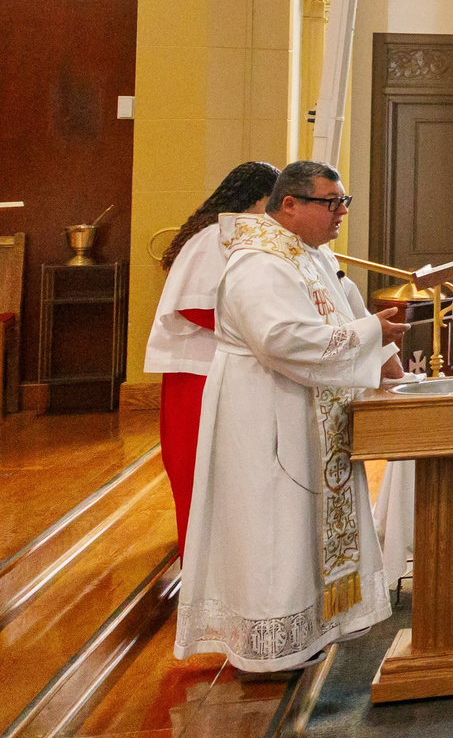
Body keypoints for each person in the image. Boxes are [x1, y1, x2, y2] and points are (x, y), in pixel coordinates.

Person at [173, 161, 410, 672]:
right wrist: (369, 335)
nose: (341, 212)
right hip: (266, 413)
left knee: (303, 527)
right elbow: (278, 339)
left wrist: (376, 349)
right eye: (331, 202)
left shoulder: (309, 255)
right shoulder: (258, 262)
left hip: (309, 411)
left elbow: (339, 316)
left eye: (344, 201)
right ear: (289, 205)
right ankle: (269, 651)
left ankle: (311, 631)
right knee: (275, 527)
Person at [141, 160, 279, 555]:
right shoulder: (209, 241)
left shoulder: (238, 237)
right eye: (270, 203)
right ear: (254, 198)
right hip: (196, 375)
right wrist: (256, 328)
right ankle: (197, 557)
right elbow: (192, 306)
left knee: (223, 475)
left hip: (222, 369)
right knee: (195, 471)